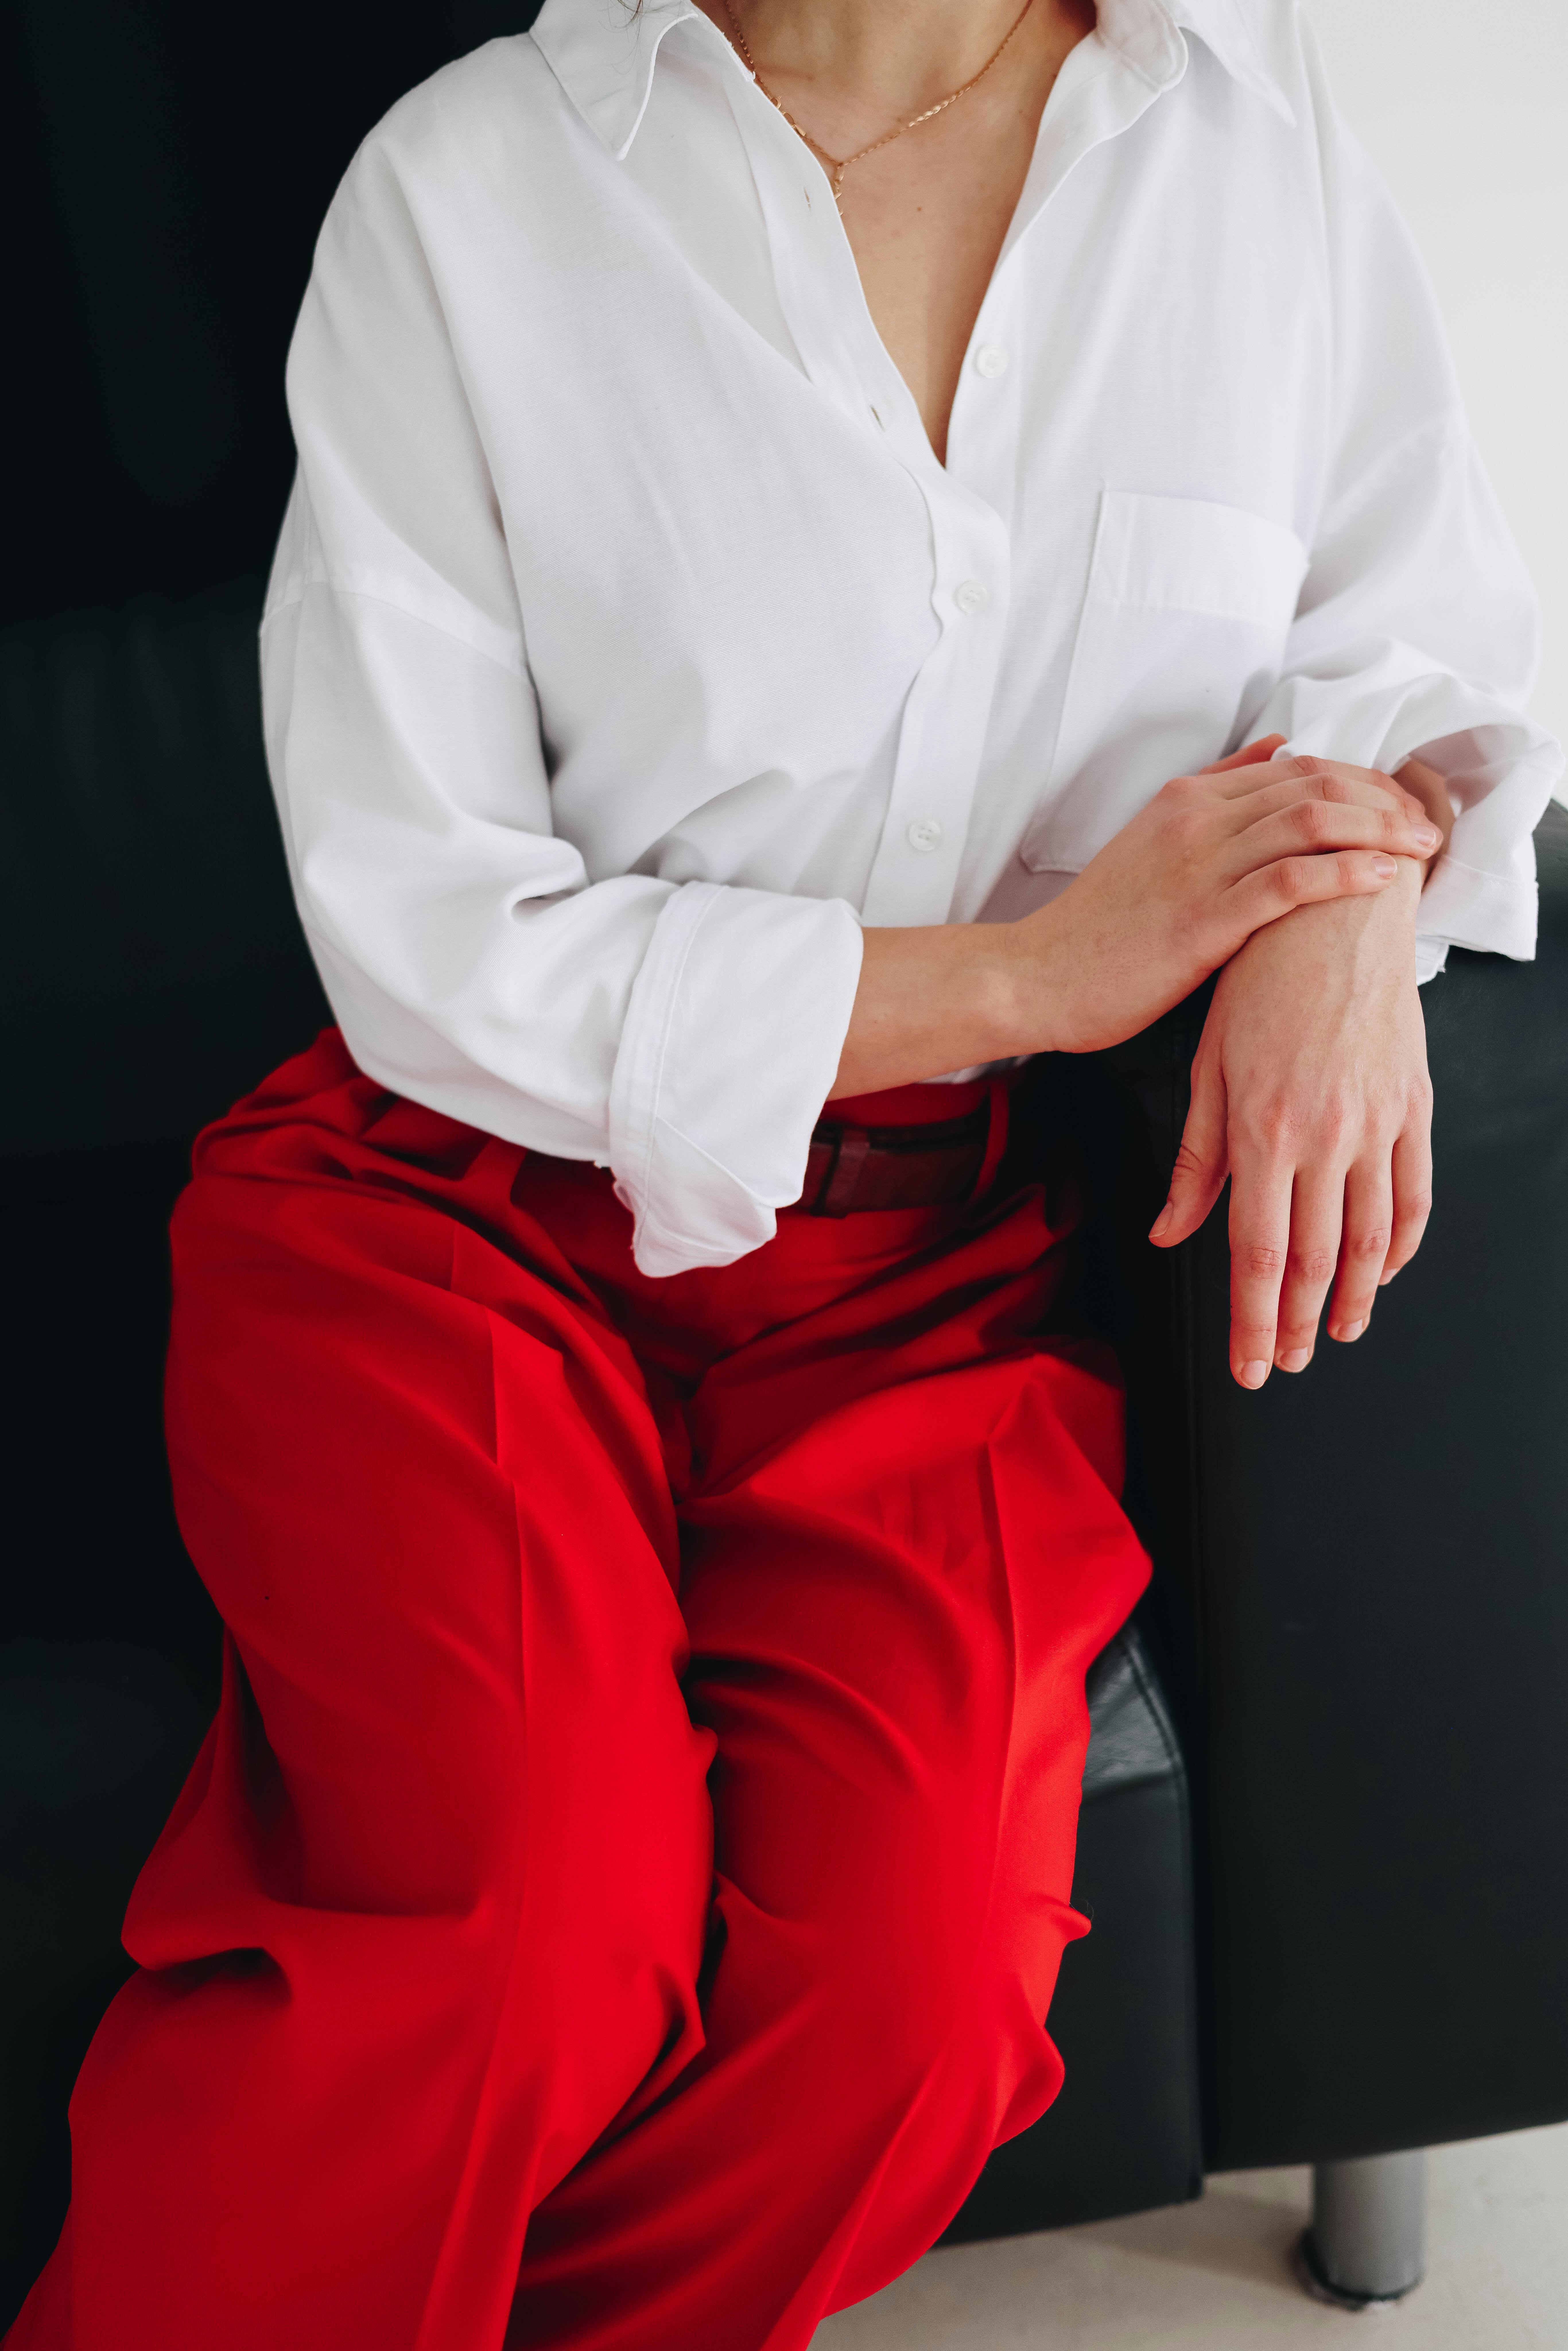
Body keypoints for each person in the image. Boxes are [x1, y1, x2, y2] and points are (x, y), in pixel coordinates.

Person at [9, 1, 1559, 2347]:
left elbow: (1414, 627)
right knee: (527, 1924)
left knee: (921, 1988)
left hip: (929, 1274)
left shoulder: (1241, 137)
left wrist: (1349, 897)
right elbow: (426, 929)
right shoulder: (473, 188)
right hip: (453, 1205)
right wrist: (1039, 979)